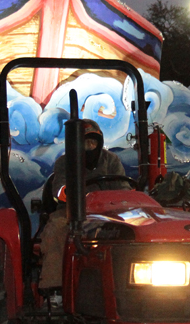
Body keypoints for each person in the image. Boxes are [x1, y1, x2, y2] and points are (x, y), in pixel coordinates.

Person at [38, 119, 126, 294]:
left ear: (100, 142)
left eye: (93, 141)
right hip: (72, 211)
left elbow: (122, 188)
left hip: (106, 211)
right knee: (57, 229)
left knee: (127, 230)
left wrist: (123, 197)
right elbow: (59, 189)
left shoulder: (111, 160)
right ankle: (55, 287)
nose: (90, 146)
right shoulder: (65, 162)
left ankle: (124, 283)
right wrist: (70, 192)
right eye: (86, 142)